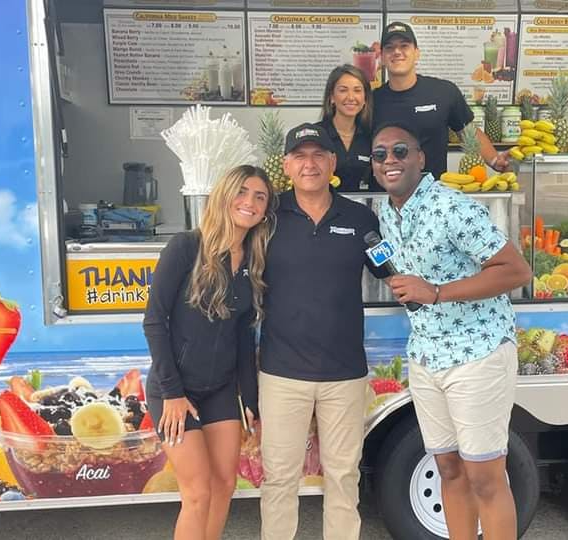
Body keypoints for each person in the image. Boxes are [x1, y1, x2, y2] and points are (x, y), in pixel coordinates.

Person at [371, 122, 531, 540]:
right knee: (448, 468)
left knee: (485, 477)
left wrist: (436, 292)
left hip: (476, 353)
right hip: (426, 356)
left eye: (400, 151)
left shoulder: (452, 206)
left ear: (420, 158)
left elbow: (516, 270)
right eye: (380, 154)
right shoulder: (387, 213)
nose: (390, 160)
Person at [258, 123, 388, 540]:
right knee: (278, 478)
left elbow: (392, 269)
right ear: (286, 165)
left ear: (333, 163)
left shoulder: (360, 217)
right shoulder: (267, 216)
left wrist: (438, 289)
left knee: (343, 476)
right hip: (281, 373)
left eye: (318, 155)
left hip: (344, 374)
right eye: (300, 155)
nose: (309, 163)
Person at [143, 165, 277, 540]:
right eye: (242, 192)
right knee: (198, 493)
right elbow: (155, 321)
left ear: (266, 209)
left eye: (260, 196)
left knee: (224, 487)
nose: (249, 202)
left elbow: (244, 337)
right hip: (175, 391)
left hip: (220, 390)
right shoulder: (187, 246)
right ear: (224, 196)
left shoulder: (252, 260)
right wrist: (172, 393)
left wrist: (250, 401)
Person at [373, 21, 510, 179]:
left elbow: (469, 132)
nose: (397, 52)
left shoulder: (444, 92)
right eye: (389, 47)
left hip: (435, 196)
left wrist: (495, 160)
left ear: (417, 53)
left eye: (404, 46)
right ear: (382, 57)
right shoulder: (371, 100)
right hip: (385, 196)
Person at [316, 64, 380, 192]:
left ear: (365, 99)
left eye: (357, 90)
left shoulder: (374, 137)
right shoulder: (316, 136)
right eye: (343, 90)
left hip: (362, 209)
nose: (351, 97)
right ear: (332, 97)